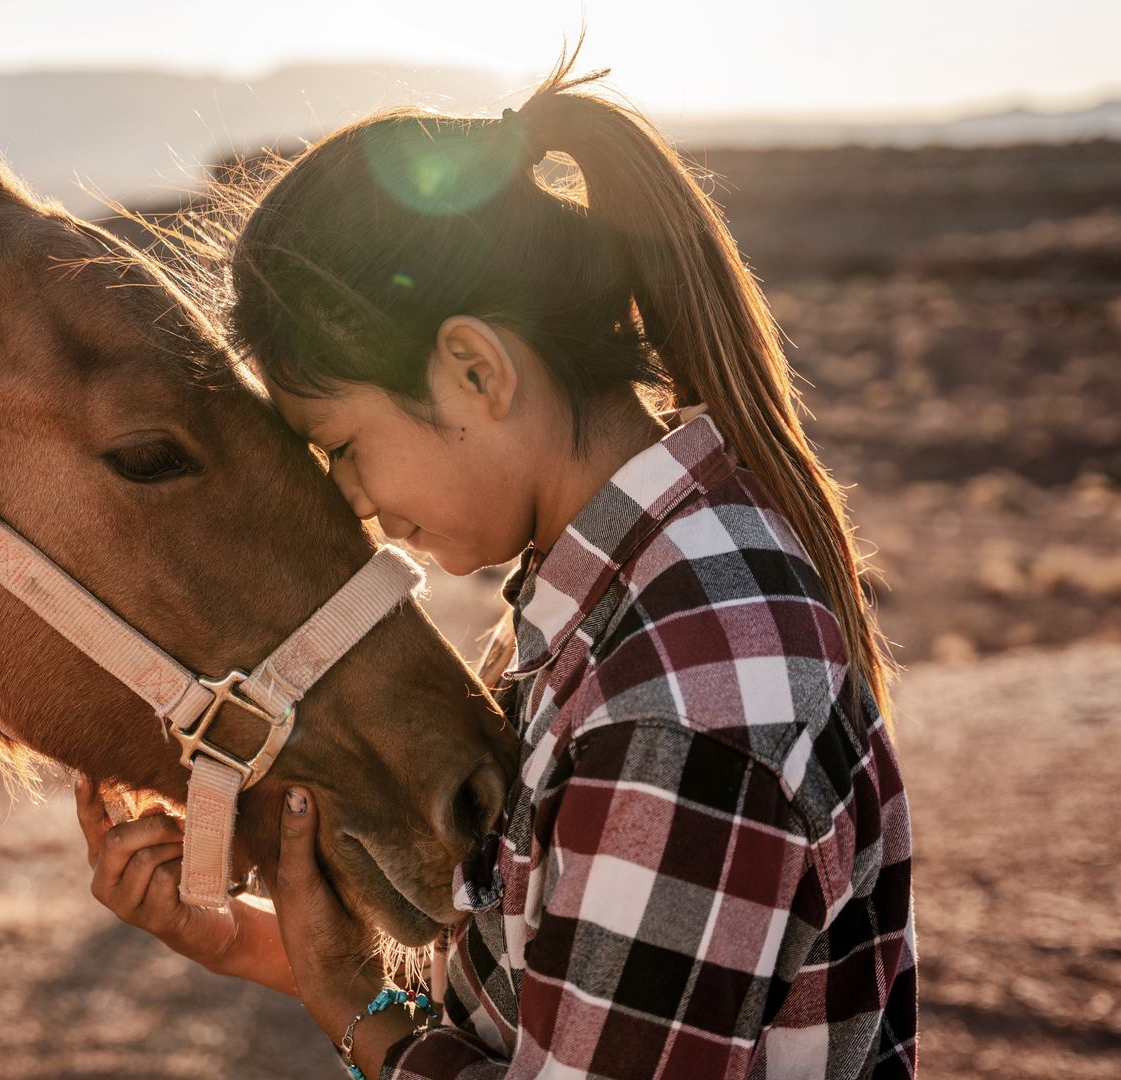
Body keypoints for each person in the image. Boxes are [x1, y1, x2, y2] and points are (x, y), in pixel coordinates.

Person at [73, 58, 916, 1079]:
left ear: (476, 370)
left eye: (340, 446)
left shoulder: (678, 709)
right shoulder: (624, 598)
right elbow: (537, 1002)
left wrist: (352, 1008)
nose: (349, 503)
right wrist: (266, 945)